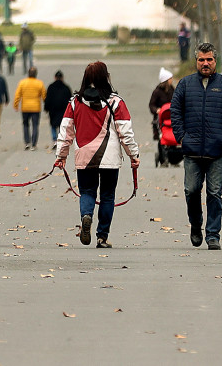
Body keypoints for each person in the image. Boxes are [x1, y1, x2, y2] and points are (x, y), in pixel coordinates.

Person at [54, 62, 140, 248]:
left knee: (87, 192)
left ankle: (86, 215)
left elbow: (66, 130)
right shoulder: (116, 102)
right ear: (106, 77)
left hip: (84, 156)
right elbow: (125, 132)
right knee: (107, 196)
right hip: (109, 158)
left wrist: (61, 155)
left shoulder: (74, 103)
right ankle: (102, 237)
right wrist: (133, 155)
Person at [171, 42, 222, 251]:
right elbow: (175, 111)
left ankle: (213, 235)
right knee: (191, 190)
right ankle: (195, 224)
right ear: (196, 61)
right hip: (191, 150)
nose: (205, 63)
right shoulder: (185, 84)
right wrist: (181, 137)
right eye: (201, 59)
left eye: (209, 59)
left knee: (214, 193)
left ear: (215, 61)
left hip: (217, 151)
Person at [14, 67, 46, 150]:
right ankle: (34, 144)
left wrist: (16, 105)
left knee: (25, 125)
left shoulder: (22, 83)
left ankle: (27, 142)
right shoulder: (39, 83)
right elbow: (44, 96)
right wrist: (47, 106)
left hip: (25, 107)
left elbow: (18, 95)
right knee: (35, 125)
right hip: (36, 108)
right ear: (36, 74)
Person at [44, 70, 72, 143]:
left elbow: (48, 99)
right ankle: (60, 139)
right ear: (62, 78)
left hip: (53, 110)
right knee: (61, 125)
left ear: (55, 77)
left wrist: (46, 108)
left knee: (53, 125)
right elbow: (70, 100)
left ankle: (54, 140)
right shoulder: (66, 88)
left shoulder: (51, 87)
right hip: (63, 110)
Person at [149, 67, 175, 143]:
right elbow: (151, 105)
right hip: (161, 116)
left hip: (171, 114)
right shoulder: (157, 92)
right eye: (170, 79)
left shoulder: (172, 89)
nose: (172, 80)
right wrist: (157, 110)